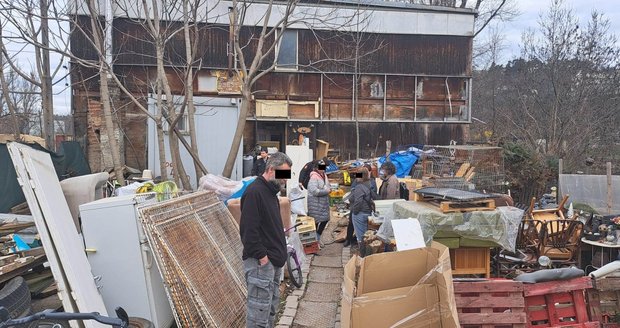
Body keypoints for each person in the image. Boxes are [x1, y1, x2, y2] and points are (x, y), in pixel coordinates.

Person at [239, 152, 292, 328]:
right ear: (270, 170)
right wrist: (263, 258)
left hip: (273, 262)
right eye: (282, 174)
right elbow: (248, 232)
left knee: (270, 310)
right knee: (258, 316)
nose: (285, 179)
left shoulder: (270, 191)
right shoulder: (255, 192)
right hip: (261, 264)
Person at [344, 165, 377, 247]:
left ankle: (363, 254)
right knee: (365, 234)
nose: (356, 177)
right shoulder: (369, 183)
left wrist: (354, 212)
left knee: (361, 236)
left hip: (360, 212)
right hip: (367, 210)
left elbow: (358, 202)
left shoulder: (360, 187)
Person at [307, 160, 331, 246]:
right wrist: (325, 191)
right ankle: (314, 241)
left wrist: (328, 189)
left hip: (323, 203)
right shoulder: (314, 177)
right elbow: (314, 191)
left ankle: (318, 237)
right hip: (315, 203)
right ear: (317, 168)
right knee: (316, 222)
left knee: (325, 219)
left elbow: (327, 185)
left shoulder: (324, 175)